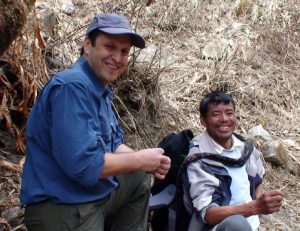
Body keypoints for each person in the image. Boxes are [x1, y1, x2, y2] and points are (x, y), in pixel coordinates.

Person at [20, 13, 171, 231]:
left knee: (138, 177)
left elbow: (115, 144)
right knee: (136, 167)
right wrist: (139, 159)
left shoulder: (98, 89)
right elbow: (84, 165)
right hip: (62, 205)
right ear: (88, 45)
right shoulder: (72, 87)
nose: (117, 58)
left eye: (124, 51)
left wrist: (150, 162)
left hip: (90, 195)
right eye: (109, 47)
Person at [183, 91, 283, 231]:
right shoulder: (199, 159)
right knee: (236, 224)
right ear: (203, 120)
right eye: (216, 114)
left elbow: (257, 183)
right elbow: (208, 214)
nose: (224, 119)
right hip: (218, 228)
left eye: (229, 113)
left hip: (251, 225)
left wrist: (264, 202)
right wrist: (255, 207)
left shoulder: (245, 148)